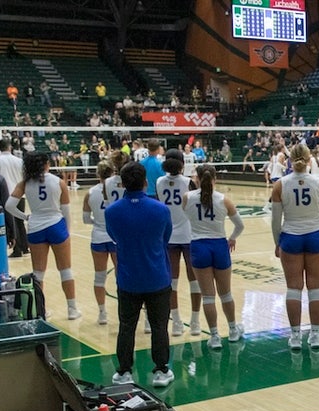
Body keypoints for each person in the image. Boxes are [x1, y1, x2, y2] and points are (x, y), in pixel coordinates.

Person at [104, 162, 174, 387]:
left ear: (122, 184)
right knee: (159, 326)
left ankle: (124, 372)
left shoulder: (112, 212)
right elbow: (165, 238)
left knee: (126, 326)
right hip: (157, 278)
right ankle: (161, 371)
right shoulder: (161, 210)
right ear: (146, 182)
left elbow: (115, 237)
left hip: (128, 280)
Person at [270, 143, 319, 350]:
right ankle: (315, 335)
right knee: (316, 288)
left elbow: (275, 220)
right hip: (316, 236)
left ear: (289, 160)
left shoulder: (280, 185)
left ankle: (295, 336)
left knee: (293, 289)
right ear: (309, 160)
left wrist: (277, 243)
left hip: (291, 237)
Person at [5, 151, 82, 320]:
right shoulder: (59, 182)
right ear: (46, 164)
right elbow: (66, 211)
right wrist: (67, 231)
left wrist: (26, 217)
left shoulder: (25, 183)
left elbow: (9, 205)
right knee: (66, 270)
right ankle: (72, 310)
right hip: (56, 226)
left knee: (38, 273)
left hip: (36, 227)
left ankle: (40, 310)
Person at [183, 164, 245, 349]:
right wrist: (232, 238)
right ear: (215, 178)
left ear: (197, 179)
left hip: (199, 246)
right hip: (219, 246)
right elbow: (240, 225)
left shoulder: (187, 198)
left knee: (208, 296)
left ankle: (215, 336)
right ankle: (233, 330)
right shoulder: (224, 200)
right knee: (225, 293)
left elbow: (187, 217)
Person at [158, 149, 201, 337]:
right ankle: (195, 322)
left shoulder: (159, 182)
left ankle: (175, 323)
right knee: (195, 281)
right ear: (183, 164)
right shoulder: (188, 183)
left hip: (168, 236)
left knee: (172, 282)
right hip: (189, 235)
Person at [83, 162, 118, 325]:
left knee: (99, 276)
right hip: (116, 237)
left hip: (98, 237)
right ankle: (123, 309)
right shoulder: (118, 190)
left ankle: (102, 313)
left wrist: (97, 223)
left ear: (98, 175)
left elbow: (85, 218)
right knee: (120, 276)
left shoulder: (90, 193)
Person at [0, 139, 27, 257]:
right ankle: (25, 247)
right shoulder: (19, 161)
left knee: (11, 223)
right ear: (10, 147)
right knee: (20, 221)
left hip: (6, 195)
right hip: (20, 194)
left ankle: (17, 249)